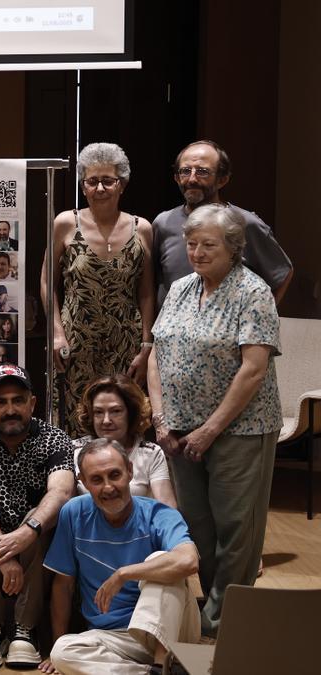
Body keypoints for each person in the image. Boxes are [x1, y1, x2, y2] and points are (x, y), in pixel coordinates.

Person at [147, 203, 281, 638]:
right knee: (197, 525)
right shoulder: (183, 287)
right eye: (192, 244)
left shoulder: (252, 291)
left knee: (236, 530)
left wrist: (209, 429)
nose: (198, 252)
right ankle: (212, 612)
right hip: (180, 431)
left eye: (208, 244)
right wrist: (162, 419)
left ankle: (225, 626)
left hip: (239, 430)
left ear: (234, 248)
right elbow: (157, 354)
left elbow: (253, 369)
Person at [41, 440, 200, 675]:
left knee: (160, 558)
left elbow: (188, 560)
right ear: (83, 482)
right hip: (114, 638)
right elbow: (63, 585)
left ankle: (160, 662)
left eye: (114, 475)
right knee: (62, 651)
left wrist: (125, 573)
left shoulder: (159, 515)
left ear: (130, 471)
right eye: (96, 479)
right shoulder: (74, 513)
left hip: (172, 632)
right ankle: (153, 672)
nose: (108, 487)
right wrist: (57, 639)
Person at [0, 364, 75, 670]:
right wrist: (3, 550)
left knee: (52, 512)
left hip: (36, 550)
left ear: (32, 403)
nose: (10, 409)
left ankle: (26, 628)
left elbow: (62, 491)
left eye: (18, 400)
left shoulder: (54, 437)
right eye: (1, 402)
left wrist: (28, 532)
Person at [42, 142, 155, 437]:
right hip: (75, 343)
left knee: (122, 416)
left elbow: (146, 292)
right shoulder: (65, 223)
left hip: (125, 343)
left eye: (108, 180)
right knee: (75, 418)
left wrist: (146, 346)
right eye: (92, 181)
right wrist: (56, 332)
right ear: (83, 186)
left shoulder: (142, 228)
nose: (100, 188)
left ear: (122, 185)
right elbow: (46, 283)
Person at [152, 140, 293, 306]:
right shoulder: (163, 223)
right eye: (185, 171)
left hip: (226, 328)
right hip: (174, 328)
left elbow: (282, 273)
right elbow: (153, 283)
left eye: (202, 172)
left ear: (223, 180)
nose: (192, 179)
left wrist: (261, 315)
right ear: (176, 178)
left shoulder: (244, 223)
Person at [71, 375, 176, 507]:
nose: (106, 420)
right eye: (98, 412)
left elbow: (167, 507)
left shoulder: (151, 453)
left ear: (131, 413)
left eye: (115, 411)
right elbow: (65, 504)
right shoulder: (74, 451)